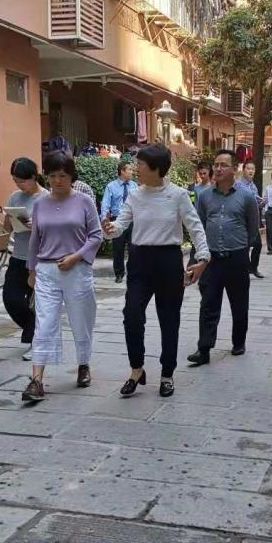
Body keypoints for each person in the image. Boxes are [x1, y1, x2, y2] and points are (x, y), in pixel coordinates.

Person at [102, 144, 209, 398]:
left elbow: (195, 227)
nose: (136, 168)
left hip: (168, 261)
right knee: (132, 315)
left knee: (169, 320)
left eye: (140, 164)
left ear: (156, 168)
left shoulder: (178, 195)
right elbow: (121, 225)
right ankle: (136, 369)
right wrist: (110, 229)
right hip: (140, 260)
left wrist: (203, 257)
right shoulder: (135, 195)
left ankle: (167, 374)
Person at [22, 151, 103, 402]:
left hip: (76, 270)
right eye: (53, 175)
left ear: (71, 177)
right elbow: (35, 239)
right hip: (47, 271)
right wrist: (31, 270)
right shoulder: (40, 204)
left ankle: (83, 364)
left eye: (63, 176)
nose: (57, 180)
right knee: (44, 323)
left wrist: (76, 257)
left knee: (81, 321)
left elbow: (96, 235)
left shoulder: (84, 201)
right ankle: (36, 379)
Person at [189, 149, 259, 365]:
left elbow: (253, 229)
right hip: (211, 259)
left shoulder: (246, 197)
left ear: (235, 169)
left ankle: (239, 342)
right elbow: (199, 226)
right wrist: (197, 258)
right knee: (208, 303)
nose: (218, 169)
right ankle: (204, 348)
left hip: (237, 257)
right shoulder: (204, 196)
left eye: (223, 165)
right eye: (216, 165)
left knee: (239, 303)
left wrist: (241, 247)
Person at [2, 158, 46, 362]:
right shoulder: (14, 197)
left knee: (40, 303)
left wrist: (36, 225)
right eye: (15, 181)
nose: (19, 185)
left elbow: (55, 231)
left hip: (40, 258)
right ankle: (33, 330)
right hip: (18, 255)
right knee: (11, 299)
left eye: (22, 181)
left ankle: (36, 340)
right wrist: (9, 219)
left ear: (34, 177)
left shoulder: (47, 198)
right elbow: (6, 227)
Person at [100, 161, 137, 284]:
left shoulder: (134, 186)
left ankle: (133, 272)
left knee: (134, 248)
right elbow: (105, 204)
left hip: (132, 220)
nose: (132, 172)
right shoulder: (111, 186)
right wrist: (104, 220)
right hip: (117, 220)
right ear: (122, 171)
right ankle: (119, 273)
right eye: (129, 170)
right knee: (118, 249)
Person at [234, 160, 265, 278]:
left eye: (253, 169)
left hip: (253, 220)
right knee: (245, 247)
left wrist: (261, 203)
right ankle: (244, 270)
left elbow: (255, 203)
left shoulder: (253, 186)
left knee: (258, 245)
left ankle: (253, 268)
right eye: (248, 168)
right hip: (242, 220)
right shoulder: (238, 184)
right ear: (243, 170)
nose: (251, 171)